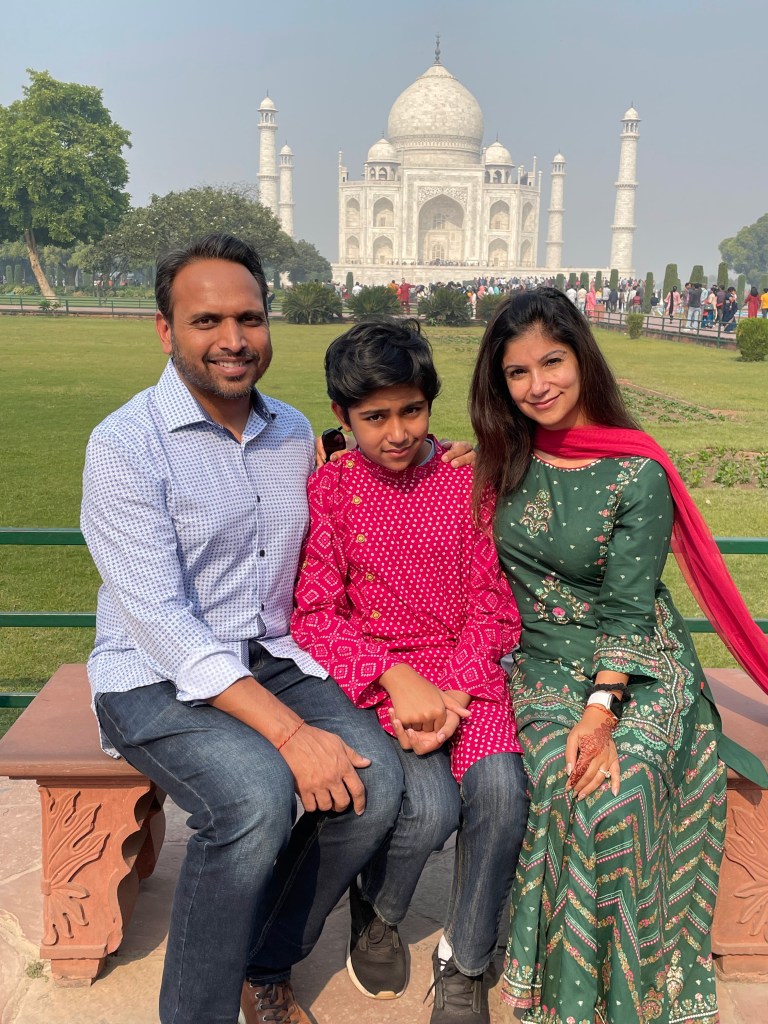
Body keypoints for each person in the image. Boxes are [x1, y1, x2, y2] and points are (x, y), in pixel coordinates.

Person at [80, 233, 406, 1024]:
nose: (233, 339)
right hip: (152, 672)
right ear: (165, 330)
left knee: (376, 783)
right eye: (207, 321)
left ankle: (263, 963)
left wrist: (437, 460)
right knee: (257, 797)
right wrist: (291, 735)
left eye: (249, 319)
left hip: (273, 652)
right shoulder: (125, 446)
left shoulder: (291, 432)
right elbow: (161, 620)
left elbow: (361, 493)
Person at [468, 287, 768, 1024]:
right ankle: (566, 996)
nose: (538, 386)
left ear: (583, 359)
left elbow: (629, 610)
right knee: (566, 782)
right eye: (517, 373)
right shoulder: (502, 458)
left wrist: (601, 713)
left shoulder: (636, 470)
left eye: (553, 362)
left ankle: (630, 995)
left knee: (619, 792)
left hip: (636, 666)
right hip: (543, 665)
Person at [291, 318, 529, 1024]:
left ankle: (466, 961)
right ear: (342, 416)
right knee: (428, 810)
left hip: (467, 674)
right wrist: (395, 679)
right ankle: (380, 908)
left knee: (502, 795)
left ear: (430, 403)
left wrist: (453, 693)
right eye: (375, 417)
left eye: (412, 410)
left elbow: (492, 601)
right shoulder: (332, 488)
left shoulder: (466, 478)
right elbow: (316, 614)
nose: (397, 433)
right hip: (383, 679)